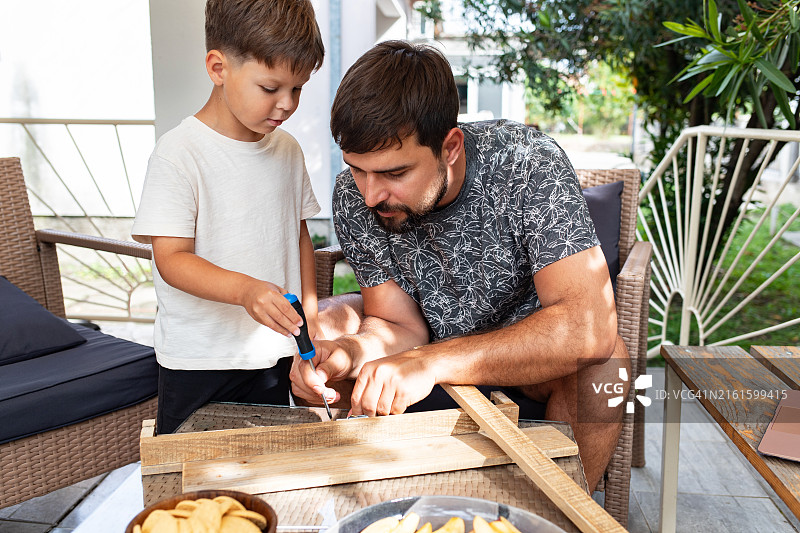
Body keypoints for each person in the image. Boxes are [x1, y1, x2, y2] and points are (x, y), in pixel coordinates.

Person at [290, 40, 629, 490]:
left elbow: (589, 330)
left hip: (528, 366)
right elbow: (397, 323)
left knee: (607, 364)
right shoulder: (356, 195)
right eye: (357, 169)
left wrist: (429, 362)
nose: (370, 195)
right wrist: (351, 352)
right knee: (331, 331)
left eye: (394, 173)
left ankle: (560, 510)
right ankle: (372, 501)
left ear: (450, 146)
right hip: (423, 348)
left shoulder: (526, 164)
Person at [131, 0, 324, 434]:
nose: (287, 104)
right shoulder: (179, 154)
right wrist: (245, 291)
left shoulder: (287, 151)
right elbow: (172, 259)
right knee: (188, 481)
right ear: (218, 68)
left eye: (297, 89)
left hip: (273, 356)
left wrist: (309, 328)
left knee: (266, 472)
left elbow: (298, 240)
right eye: (271, 88)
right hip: (199, 361)